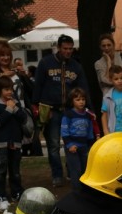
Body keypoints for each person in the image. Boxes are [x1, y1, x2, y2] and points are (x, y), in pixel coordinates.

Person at [33, 34, 92, 187]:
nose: (68, 52)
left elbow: (83, 88)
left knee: (72, 142)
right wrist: (36, 105)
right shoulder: (45, 63)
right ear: (58, 48)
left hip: (70, 111)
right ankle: (57, 175)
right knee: (53, 144)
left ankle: (73, 171)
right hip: (51, 110)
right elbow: (38, 85)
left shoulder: (76, 66)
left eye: (71, 49)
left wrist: (88, 108)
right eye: (65, 48)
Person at [0, 76, 26, 211]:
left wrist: (14, 108)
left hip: (15, 143)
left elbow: (23, 119)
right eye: (6, 89)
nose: (9, 92)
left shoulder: (15, 103)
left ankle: (17, 192)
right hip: (2, 144)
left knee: (15, 171)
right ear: (0, 91)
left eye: (11, 89)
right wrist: (9, 110)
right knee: (0, 171)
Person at [62, 87, 99, 192]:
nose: (81, 102)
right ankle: (76, 191)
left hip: (84, 147)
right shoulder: (68, 114)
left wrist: (91, 144)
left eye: (83, 99)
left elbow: (89, 131)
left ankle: (84, 190)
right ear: (72, 101)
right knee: (75, 170)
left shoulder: (88, 115)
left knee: (85, 169)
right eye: (77, 100)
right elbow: (64, 131)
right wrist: (69, 145)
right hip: (72, 147)